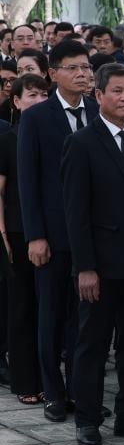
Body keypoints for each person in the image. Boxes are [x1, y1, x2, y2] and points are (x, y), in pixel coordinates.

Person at [60, 63, 124, 445]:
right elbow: (75, 211)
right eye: (116, 91)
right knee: (93, 346)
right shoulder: (82, 143)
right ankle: (87, 419)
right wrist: (85, 267)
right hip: (99, 266)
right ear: (98, 96)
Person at [18, 40, 99, 422]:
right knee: (51, 316)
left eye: (86, 67)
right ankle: (53, 391)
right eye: (74, 68)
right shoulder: (36, 117)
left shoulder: (100, 110)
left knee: (84, 319)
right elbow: (28, 181)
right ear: (53, 74)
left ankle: (83, 390)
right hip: (51, 234)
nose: (83, 74)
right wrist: (35, 235)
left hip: (93, 235)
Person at [0, 75, 46, 405]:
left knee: (49, 309)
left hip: (48, 231)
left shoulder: (55, 136)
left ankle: (49, 380)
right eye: (31, 95)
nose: (39, 100)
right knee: (22, 307)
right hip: (17, 231)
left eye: (44, 94)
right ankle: (24, 380)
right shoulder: (8, 139)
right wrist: (2, 232)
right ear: (16, 101)